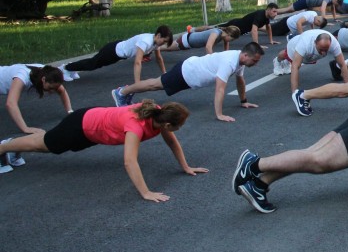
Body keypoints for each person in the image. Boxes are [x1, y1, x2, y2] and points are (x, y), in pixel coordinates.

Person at [0, 100, 206, 202]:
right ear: (168, 124)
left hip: (90, 127)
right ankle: (5, 147)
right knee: (44, 146)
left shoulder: (159, 115)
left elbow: (172, 143)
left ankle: (13, 146)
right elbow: (129, 161)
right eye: (179, 126)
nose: (179, 129)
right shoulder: (136, 126)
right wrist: (146, 192)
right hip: (81, 127)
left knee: (45, 143)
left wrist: (186, 167)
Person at [111, 43, 265, 122]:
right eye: (254, 60)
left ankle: (125, 91)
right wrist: (219, 114)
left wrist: (244, 101)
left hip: (190, 74)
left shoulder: (239, 61)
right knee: (154, 84)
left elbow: (240, 80)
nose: (255, 63)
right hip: (186, 73)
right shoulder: (229, 62)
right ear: (245, 55)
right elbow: (220, 89)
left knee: (155, 85)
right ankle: (122, 92)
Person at [0, 65, 73, 170]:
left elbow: (62, 91)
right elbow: (10, 103)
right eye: (51, 88)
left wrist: (70, 111)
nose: (52, 91)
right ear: (43, 80)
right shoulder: (22, 76)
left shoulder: (46, 73)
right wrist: (25, 128)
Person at [63, 26, 172, 84]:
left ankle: (72, 68)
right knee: (92, 64)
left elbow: (159, 58)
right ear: (158, 35)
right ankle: (66, 68)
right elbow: (137, 62)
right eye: (164, 41)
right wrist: (137, 83)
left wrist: (164, 73)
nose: (164, 44)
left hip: (117, 53)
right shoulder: (146, 41)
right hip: (112, 51)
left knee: (94, 64)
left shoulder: (155, 42)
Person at [272, 30, 348, 102]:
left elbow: (342, 64)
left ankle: (288, 62)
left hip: (309, 53)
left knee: (307, 59)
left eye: (326, 50)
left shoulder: (334, 44)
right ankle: (277, 61)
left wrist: (347, 87)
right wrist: (295, 93)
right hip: (294, 45)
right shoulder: (304, 44)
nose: (323, 53)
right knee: (287, 56)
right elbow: (295, 67)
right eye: (321, 50)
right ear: (315, 42)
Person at [163, 25, 241, 54]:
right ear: (228, 34)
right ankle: (152, 48)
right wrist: (211, 60)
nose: (230, 41)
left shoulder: (223, 34)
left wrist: (226, 54)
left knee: (167, 47)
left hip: (189, 41)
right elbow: (208, 47)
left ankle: (153, 48)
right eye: (231, 39)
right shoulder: (216, 33)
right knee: (165, 48)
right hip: (186, 41)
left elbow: (226, 43)